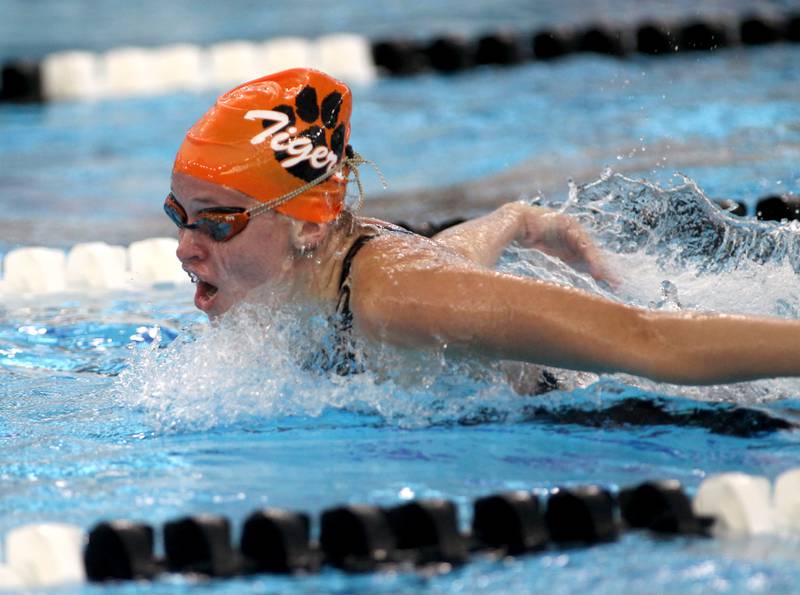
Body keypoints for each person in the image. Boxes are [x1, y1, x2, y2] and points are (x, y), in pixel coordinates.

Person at [167, 68, 800, 386]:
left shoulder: (392, 297)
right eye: (178, 217)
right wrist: (514, 220)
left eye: (217, 225)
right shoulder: (332, 276)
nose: (184, 248)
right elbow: (441, 269)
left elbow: (651, 342)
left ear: (309, 223)